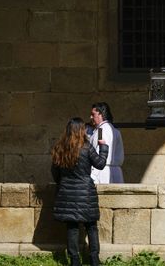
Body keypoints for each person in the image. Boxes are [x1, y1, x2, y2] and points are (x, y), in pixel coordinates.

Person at [51, 117, 108, 266]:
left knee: (72, 227)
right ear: (82, 130)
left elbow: (55, 173)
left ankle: (75, 261)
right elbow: (101, 164)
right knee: (91, 227)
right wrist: (103, 147)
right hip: (86, 193)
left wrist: (64, 183)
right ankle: (94, 260)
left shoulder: (60, 148)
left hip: (67, 193)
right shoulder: (87, 147)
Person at [89, 102, 125, 183]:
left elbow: (99, 154)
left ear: (101, 115)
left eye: (93, 114)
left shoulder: (101, 130)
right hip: (114, 172)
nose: (90, 117)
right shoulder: (115, 131)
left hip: (102, 173)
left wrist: (93, 175)